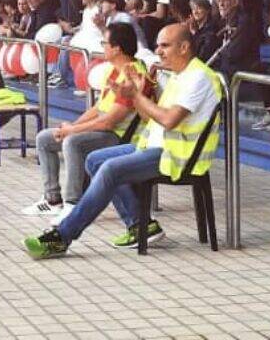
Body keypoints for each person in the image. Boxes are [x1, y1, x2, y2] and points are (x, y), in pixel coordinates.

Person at [22, 23, 223, 258]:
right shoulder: (179, 76)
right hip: (156, 147)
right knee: (95, 160)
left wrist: (135, 95)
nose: (158, 51)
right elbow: (151, 117)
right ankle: (141, 225)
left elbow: (168, 120)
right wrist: (134, 94)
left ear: (184, 47)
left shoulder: (198, 77)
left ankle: (63, 236)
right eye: (157, 45)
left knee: (109, 169)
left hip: (177, 157)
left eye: (165, 45)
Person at [20, 23, 155, 224]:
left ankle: (73, 203)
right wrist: (68, 127)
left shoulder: (133, 75)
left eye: (105, 42)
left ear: (117, 48)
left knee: (73, 142)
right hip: (104, 130)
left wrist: (72, 132)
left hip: (119, 136)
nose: (102, 46)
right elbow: (99, 109)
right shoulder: (114, 71)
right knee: (45, 138)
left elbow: (110, 121)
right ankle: (52, 199)